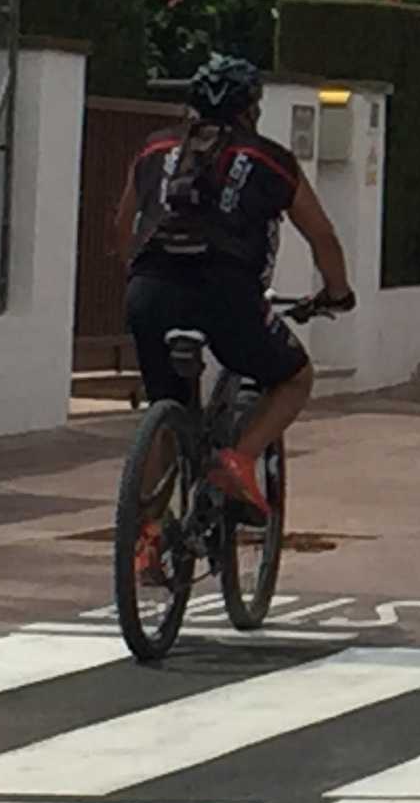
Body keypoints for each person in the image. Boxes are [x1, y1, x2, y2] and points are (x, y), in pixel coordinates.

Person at [112, 56, 354, 574]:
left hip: (150, 292)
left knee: (166, 409)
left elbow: (123, 225)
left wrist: (137, 281)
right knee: (294, 377)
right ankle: (238, 461)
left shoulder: (153, 148)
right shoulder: (271, 160)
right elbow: (322, 236)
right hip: (227, 296)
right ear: (251, 109)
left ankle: (146, 540)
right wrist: (336, 293)